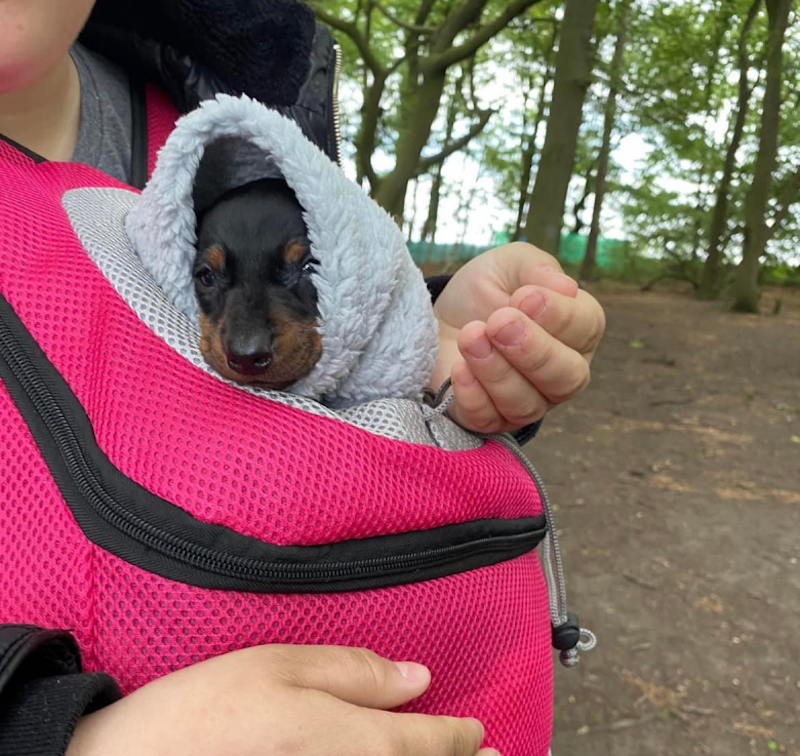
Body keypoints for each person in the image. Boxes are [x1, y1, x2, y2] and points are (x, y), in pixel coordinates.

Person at [0, 1, 606, 755]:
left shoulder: (233, 117)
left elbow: (342, 360)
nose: (246, 342)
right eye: (209, 281)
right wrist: (62, 738)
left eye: (298, 274)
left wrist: (429, 338)